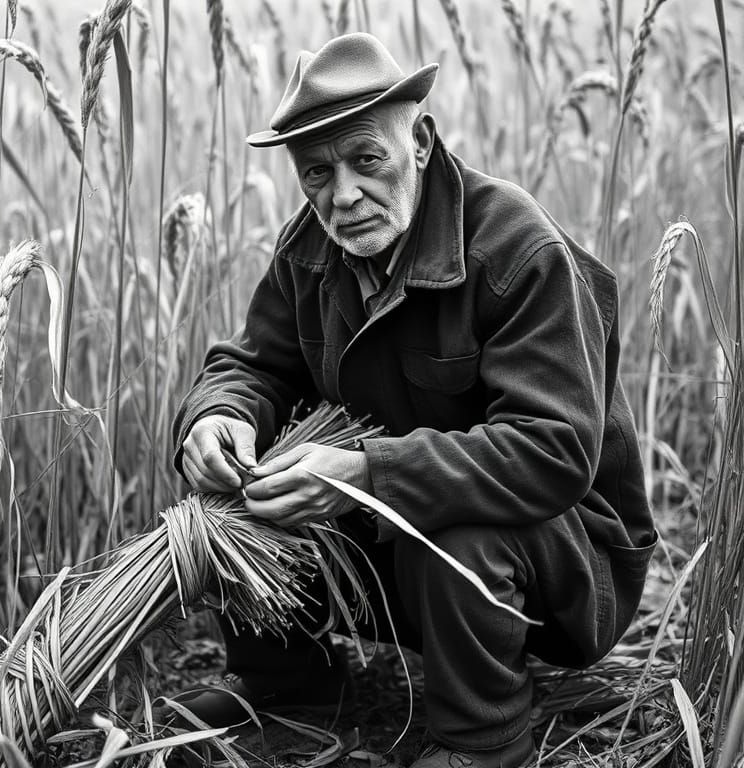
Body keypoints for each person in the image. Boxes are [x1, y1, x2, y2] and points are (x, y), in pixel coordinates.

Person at [167, 32, 655, 768]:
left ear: (420, 141)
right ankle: (290, 681)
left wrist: (365, 473)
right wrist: (219, 416)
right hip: (400, 535)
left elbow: (553, 453)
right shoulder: (312, 248)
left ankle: (481, 738)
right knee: (241, 492)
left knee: (450, 526)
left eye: (368, 160)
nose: (343, 195)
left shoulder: (518, 253)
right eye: (316, 173)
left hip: (563, 556)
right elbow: (253, 364)